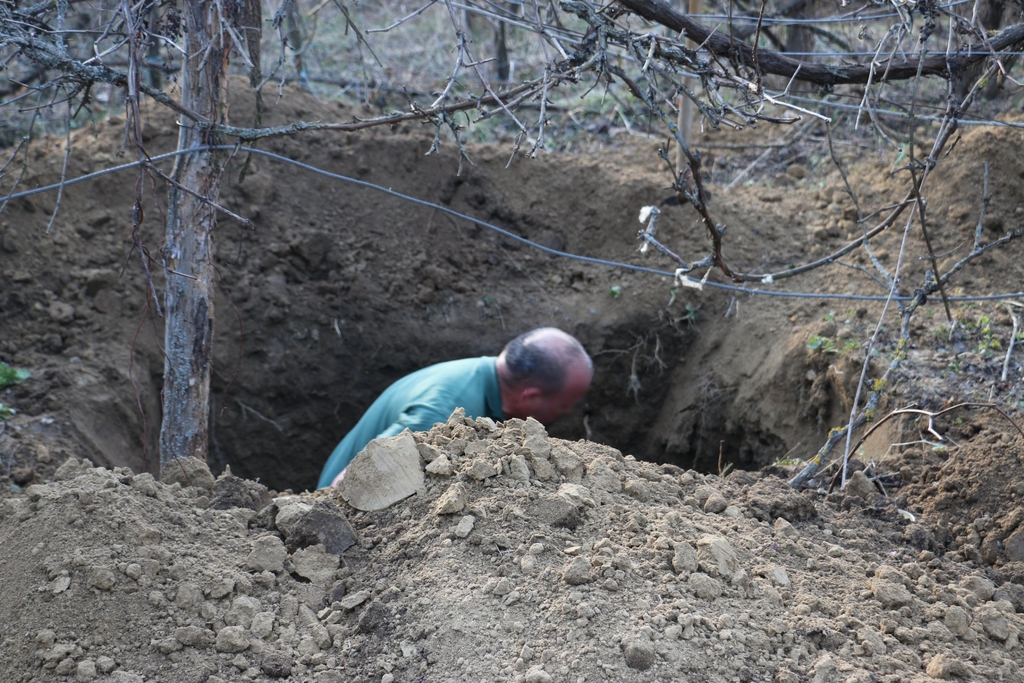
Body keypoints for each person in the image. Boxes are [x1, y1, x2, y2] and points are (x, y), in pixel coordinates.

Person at [317, 327, 593, 488]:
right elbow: (345, 486)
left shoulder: (481, 377)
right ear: (530, 397)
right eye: (566, 405)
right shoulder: (441, 416)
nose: (567, 413)